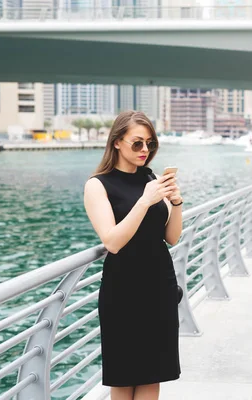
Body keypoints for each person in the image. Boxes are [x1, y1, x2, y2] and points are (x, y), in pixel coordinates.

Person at [83, 110, 183, 400]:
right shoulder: (98, 185)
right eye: (137, 143)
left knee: (154, 377)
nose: (144, 150)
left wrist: (175, 202)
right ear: (116, 142)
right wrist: (145, 201)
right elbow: (112, 242)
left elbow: (172, 237)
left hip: (160, 287)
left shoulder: (150, 178)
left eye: (150, 144)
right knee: (124, 380)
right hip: (123, 291)